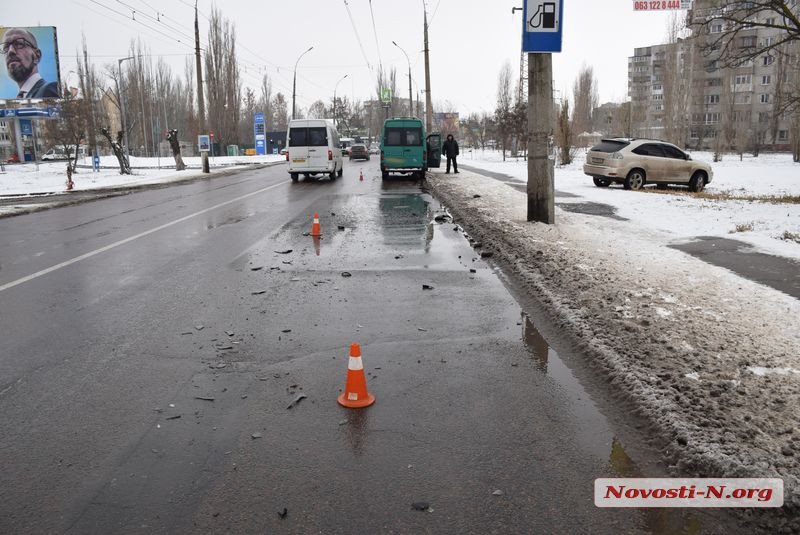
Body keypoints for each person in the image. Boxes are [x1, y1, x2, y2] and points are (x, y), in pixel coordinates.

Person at [1, 28, 59, 99]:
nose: (10, 51)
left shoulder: (49, 89)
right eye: (6, 47)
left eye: (19, 44)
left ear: (37, 56)